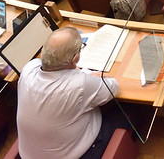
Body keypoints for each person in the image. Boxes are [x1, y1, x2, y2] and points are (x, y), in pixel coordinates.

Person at [17, 27, 125, 159]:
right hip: (77, 155)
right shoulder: (79, 84)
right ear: (76, 58)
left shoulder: (28, 68)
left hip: (29, 154)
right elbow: (114, 88)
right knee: (127, 111)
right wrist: (87, 75)